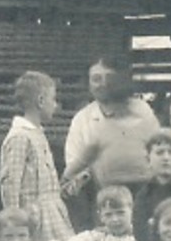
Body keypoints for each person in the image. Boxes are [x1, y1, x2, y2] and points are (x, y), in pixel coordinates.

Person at [61, 58, 159, 229]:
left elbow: (157, 148)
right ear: (89, 83)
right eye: (96, 79)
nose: (103, 84)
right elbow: (73, 167)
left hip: (144, 195)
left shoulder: (142, 111)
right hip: (105, 198)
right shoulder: (83, 119)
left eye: (109, 78)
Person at [0, 71, 74, 241]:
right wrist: (15, 224)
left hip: (52, 213)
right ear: (41, 101)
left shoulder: (37, 134)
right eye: (53, 99)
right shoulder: (20, 137)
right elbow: (10, 183)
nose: (56, 105)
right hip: (35, 218)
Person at [63, 185, 141, 241]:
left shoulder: (140, 235)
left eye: (120, 213)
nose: (115, 219)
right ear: (101, 216)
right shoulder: (100, 235)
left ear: (132, 211)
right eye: (108, 215)